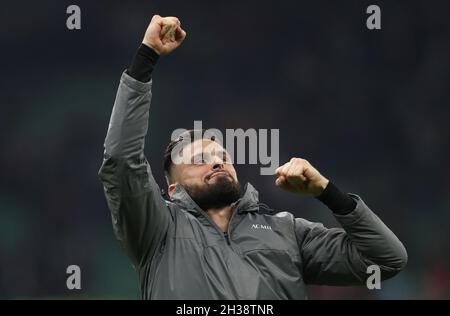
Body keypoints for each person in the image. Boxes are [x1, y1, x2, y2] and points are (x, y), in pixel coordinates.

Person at [98, 15, 407, 299]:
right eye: (199, 159)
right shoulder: (157, 229)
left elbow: (387, 260)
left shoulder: (287, 231)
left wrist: (327, 193)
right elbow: (122, 160)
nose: (218, 161)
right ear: (173, 189)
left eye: (223, 156)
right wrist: (146, 56)